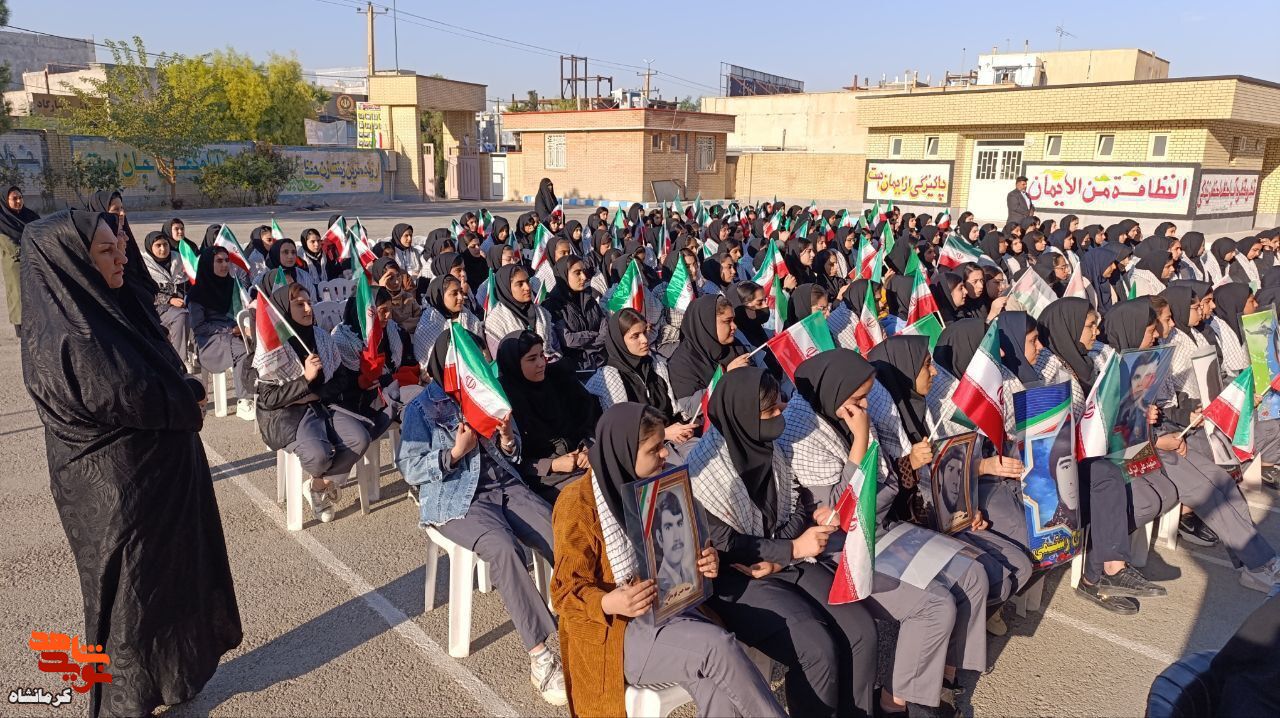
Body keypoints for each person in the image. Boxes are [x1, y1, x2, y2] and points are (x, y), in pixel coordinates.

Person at [21, 208, 241, 718]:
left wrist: (178, 387)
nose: (121, 256)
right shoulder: (70, 334)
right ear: (72, 261)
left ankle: (176, 677)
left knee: (172, 588)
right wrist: (187, 395)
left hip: (158, 488)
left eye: (119, 245)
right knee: (130, 603)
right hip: (119, 500)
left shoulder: (106, 304)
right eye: (105, 251)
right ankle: (125, 705)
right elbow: (127, 394)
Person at [780, 348, 988, 714]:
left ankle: (944, 679)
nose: (865, 405)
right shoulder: (801, 433)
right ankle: (895, 703)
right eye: (858, 397)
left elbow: (887, 483)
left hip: (881, 527)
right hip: (842, 551)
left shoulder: (851, 410)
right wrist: (860, 441)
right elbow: (842, 516)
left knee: (973, 574)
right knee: (935, 604)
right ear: (835, 390)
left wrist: (870, 476)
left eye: (866, 395)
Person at [549, 402, 785, 718]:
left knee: (717, 684)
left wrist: (705, 560)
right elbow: (564, 594)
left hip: (670, 608)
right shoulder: (578, 504)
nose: (665, 453)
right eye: (654, 449)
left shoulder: (661, 485)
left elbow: (682, 547)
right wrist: (610, 602)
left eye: (664, 443)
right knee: (717, 646)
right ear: (623, 452)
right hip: (615, 633)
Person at [691, 366, 878, 717]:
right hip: (738, 578)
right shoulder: (704, 473)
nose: (781, 415)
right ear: (743, 415)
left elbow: (795, 508)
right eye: (771, 411)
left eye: (780, 405)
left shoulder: (769, 448)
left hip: (786, 557)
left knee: (861, 630)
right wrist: (790, 549)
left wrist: (786, 552)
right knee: (816, 647)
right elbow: (726, 544)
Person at [399, 329, 567, 706]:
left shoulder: (488, 393)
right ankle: (540, 656)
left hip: (504, 486)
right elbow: (409, 468)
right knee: (504, 548)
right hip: (456, 499)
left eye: (481, 358)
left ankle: (587, 611)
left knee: (560, 530)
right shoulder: (421, 408)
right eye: (470, 360)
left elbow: (515, 452)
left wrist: (507, 438)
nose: (480, 365)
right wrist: (453, 454)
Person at [254, 283, 379, 522]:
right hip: (287, 414)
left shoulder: (321, 337)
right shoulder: (273, 346)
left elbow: (341, 378)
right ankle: (323, 481)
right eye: (299, 304)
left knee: (359, 438)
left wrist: (317, 393)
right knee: (318, 455)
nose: (308, 309)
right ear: (284, 310)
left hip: (321, 404)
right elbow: (269, 399)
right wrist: (305, 380)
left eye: (309, 302)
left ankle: (318, 485)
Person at [496, 330, 599, 503]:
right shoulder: (505, 402)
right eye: (531, 359)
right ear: (513, 363)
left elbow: (588, 419)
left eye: (541, 355)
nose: (541, 363)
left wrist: (587, 448)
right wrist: (552, 465)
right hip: (546, 479)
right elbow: (512, 460)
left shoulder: (559, 380)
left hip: (584, 461)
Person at [187, 246, 256, 420]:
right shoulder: (197, 292)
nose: (225, 264)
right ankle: (244, 401)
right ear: (208, 264)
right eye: (219, 261)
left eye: (226, 260)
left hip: (233, 334)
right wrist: (230, 330)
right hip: (209, 341)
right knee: (243, 350)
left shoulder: (232, 286)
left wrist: (243, 327)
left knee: (257, 344)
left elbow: (240, 311)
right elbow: (199, 327)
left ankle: (262, 393)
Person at [542, 255, 607, 372]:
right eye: (577, 273)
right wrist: (594, 335)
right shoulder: (553, 305)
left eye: (583, 271)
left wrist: (594, 341)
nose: (584, 277)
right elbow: (568, 340)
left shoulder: (589, 297)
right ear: (564, 275)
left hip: (601, 360)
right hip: (577, 369)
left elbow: (604, 324)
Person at [483, 264, 560, 360]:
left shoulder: (541, 313)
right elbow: (501, 360)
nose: (527, 287)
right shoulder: (496, 321)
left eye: (528, 281)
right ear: (506, 288)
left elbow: (555, 347)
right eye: (520, 284)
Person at [141, 230, 192, 365]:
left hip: (182, 304)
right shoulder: (144, 265)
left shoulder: (179, 259)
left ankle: (201, 355)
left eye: (165, 244)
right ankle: (180, 361)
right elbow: (144, 291)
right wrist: (169, 300)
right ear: (150, 247)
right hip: (156, 309)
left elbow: (188, 284)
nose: (163, 249)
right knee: (181, 316)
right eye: (158, 245)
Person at [0, 185, 38, 334]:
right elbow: (12, 248)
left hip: (34, 264)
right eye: (14, 198)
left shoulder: (30, 216)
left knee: (36, 297)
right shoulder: (2, 222)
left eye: (20, 197)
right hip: (16, 267)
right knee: (19, 298)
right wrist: (34, 250)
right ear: (5, 201)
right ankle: (21, 331)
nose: (18, 201)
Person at [651, 488, 696, 599]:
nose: (677, 537)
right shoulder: (659, 587)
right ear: (660, 538)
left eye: (679, 524)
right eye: (668, 527)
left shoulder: (689, 575)